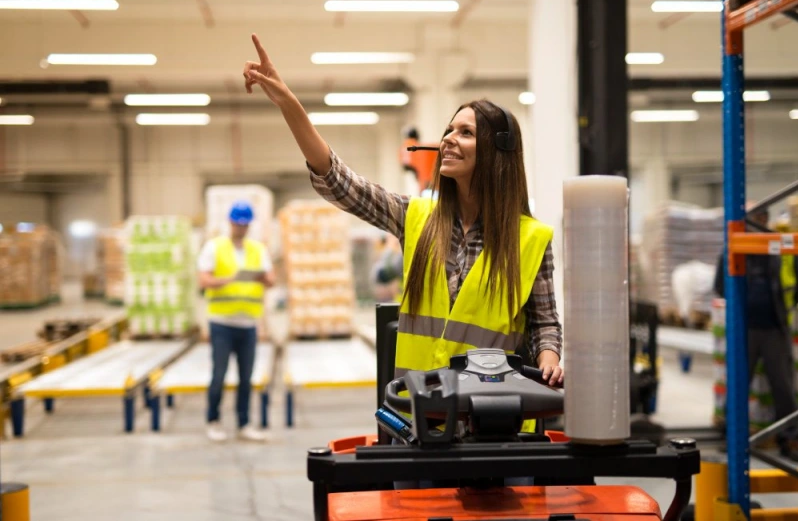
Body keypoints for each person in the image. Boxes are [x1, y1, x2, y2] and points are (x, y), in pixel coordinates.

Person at [242, 33, 563, 390]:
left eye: (466, 132)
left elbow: (544, 323)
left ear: (496, 154)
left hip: (494, 415)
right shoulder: (417, 218)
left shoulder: (531, 239)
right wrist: (288, 103)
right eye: (449, 130)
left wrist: (549, 358)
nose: (448, 139)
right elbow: (337, 180)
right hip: (420, 410)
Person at [714, 203, 798, 462]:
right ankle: (732, 439)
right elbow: (720, 285)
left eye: (763, 217)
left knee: (783, 386)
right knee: (739, 383)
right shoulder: (733, 249)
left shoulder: (783, 250)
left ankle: (791, 439)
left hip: (775, 327)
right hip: (745, 329)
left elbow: (797, 284)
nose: (759, 222)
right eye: (755, 218)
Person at [198, 201, 275, 442]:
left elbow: (271, 280)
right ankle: (213, 421)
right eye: (237, 224)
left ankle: (244, 424)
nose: (241, 228)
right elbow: (203, 281)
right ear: (230, 223)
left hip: (248, 324)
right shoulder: (214, 247)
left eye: (245, 225)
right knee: (219, 375)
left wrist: (260, 277)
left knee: (246, 377)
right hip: (222, 323)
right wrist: (229, 279)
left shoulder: (257, 250)